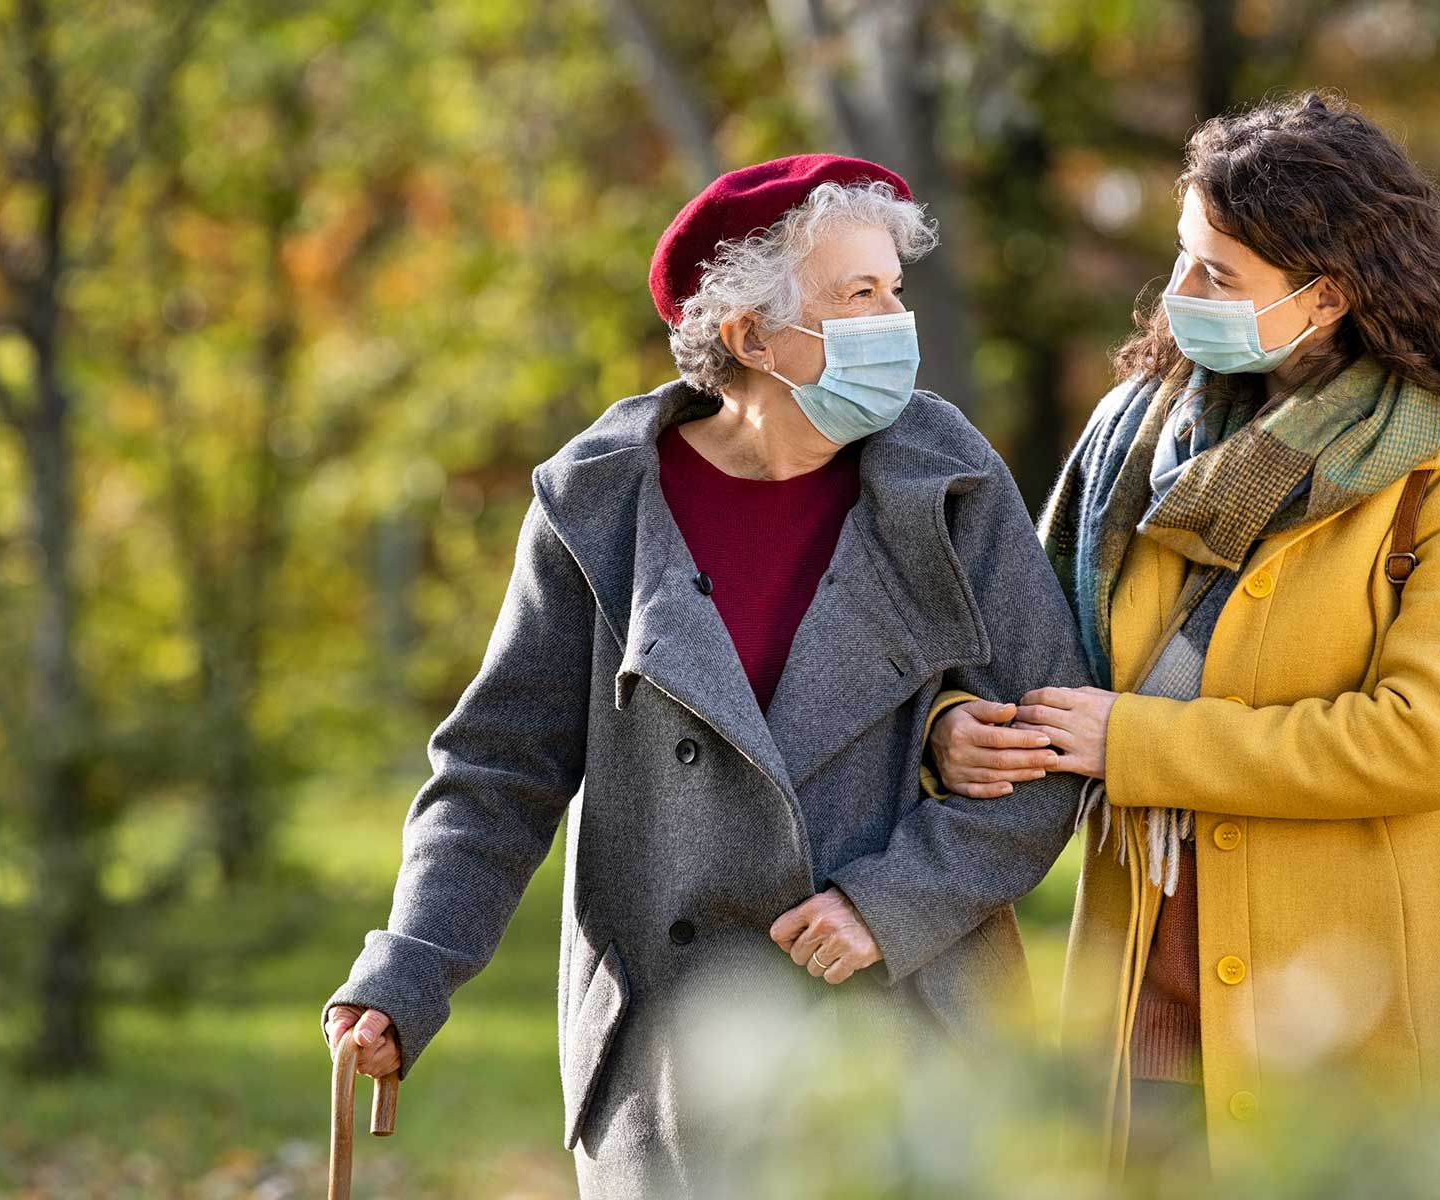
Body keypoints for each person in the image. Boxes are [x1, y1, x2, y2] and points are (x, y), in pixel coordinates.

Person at [321, 154, 1091, 1197]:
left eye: (893, 291)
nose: (891, 321)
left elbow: (1052, 742)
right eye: (856, 295)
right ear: (749, 335)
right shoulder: (596, 504)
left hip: (913, 1039)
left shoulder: (949, 477)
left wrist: (890, 901)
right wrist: (408, 968)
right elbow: (499, 772)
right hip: (673, 1061)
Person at [924, 92, 1440, 1180]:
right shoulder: (1138, 438)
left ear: (1327, 297)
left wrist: (1134, 746)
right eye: (1183, 259)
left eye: (1218, 276)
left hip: (1359, 1006)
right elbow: (1015, 650)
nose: (1180, 297)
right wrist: (956, 728)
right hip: (1142, 991)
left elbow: (1425, 739)